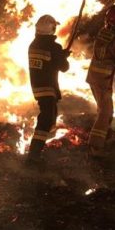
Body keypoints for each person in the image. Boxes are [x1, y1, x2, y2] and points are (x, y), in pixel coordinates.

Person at [86, 4, 115, 157]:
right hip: (103, 79)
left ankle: (105, 138)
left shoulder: (103, 32)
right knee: (106, 112)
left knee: (103, 110)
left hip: (93, 77)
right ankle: (95, 146)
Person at [27, 14, 70, 165]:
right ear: (51, 29)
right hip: (48, 88)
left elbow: (49, 62)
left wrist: (60, 55)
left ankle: (43, 146)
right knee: (46, 119)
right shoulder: (54, 47)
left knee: (50, 117)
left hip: (37, 87)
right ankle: (34, 153)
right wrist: (63, 56)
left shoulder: (33, 45)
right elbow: (64, 67)